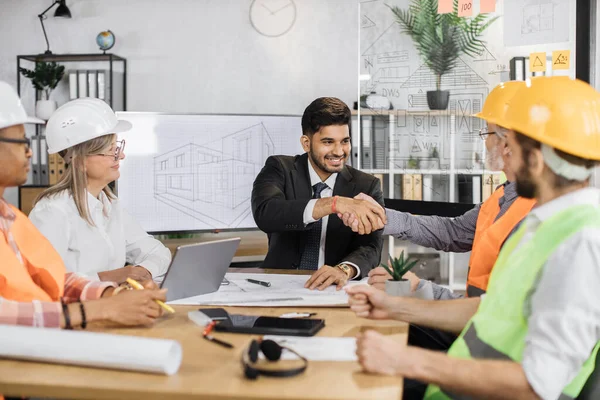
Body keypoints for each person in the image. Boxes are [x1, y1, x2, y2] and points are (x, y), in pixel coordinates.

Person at [347, 76, 600, 399]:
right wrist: (397, 308)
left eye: (513, 146)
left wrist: (406, 360)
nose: (504, 152)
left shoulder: (580, 243)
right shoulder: (547, 224)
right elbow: (489, 308)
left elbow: (538, 385)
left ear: (535, 161)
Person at [342, 81, 536, 352]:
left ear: (506, 143)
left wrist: (419, 289)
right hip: (473, 328)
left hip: (486, 343)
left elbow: (496, 312)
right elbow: (451, 232)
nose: (484, 142)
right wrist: (382, 216)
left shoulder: (533, 216)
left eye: (487, 133)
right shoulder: (502, 197)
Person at [0, 81, 167, 330]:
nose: (30, 153)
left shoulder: (10, 218)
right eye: (21, 141)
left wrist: (111, 295)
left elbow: (53, 279)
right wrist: (104, 304)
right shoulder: (51, 210)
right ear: (80, 161)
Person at [28, 98, 171, 284]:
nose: (121, 155)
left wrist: (143, 272)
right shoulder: (52, 211)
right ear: (80, 161)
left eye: (118, 147)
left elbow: (158, 253)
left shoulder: (109, 204)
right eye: (111, 150)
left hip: (115, 306)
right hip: (76, 311)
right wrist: (110, 278)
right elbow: (42, 281)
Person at [251, 97, 386, 291]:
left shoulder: (367, 185)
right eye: (328, 142)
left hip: (334, 288)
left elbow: (371, 247)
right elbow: (266, 213)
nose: (339, 151)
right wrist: (332, 204)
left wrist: (344, 269)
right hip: (278, 285)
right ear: (306, 143)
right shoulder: (280, 168)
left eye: (345, 141)